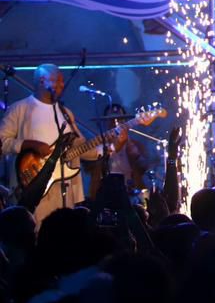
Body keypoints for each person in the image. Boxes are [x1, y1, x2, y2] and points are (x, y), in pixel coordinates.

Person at [0, 63, 123, 224]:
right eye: (56, 80)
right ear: (42, 81)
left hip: (63, 189)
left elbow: (82, 149)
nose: (61, 85)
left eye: (62, 81)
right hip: (31, 186)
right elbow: (2, 142)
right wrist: (30, 144)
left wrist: (113, 146)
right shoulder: (20, 109)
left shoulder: (66, 114)